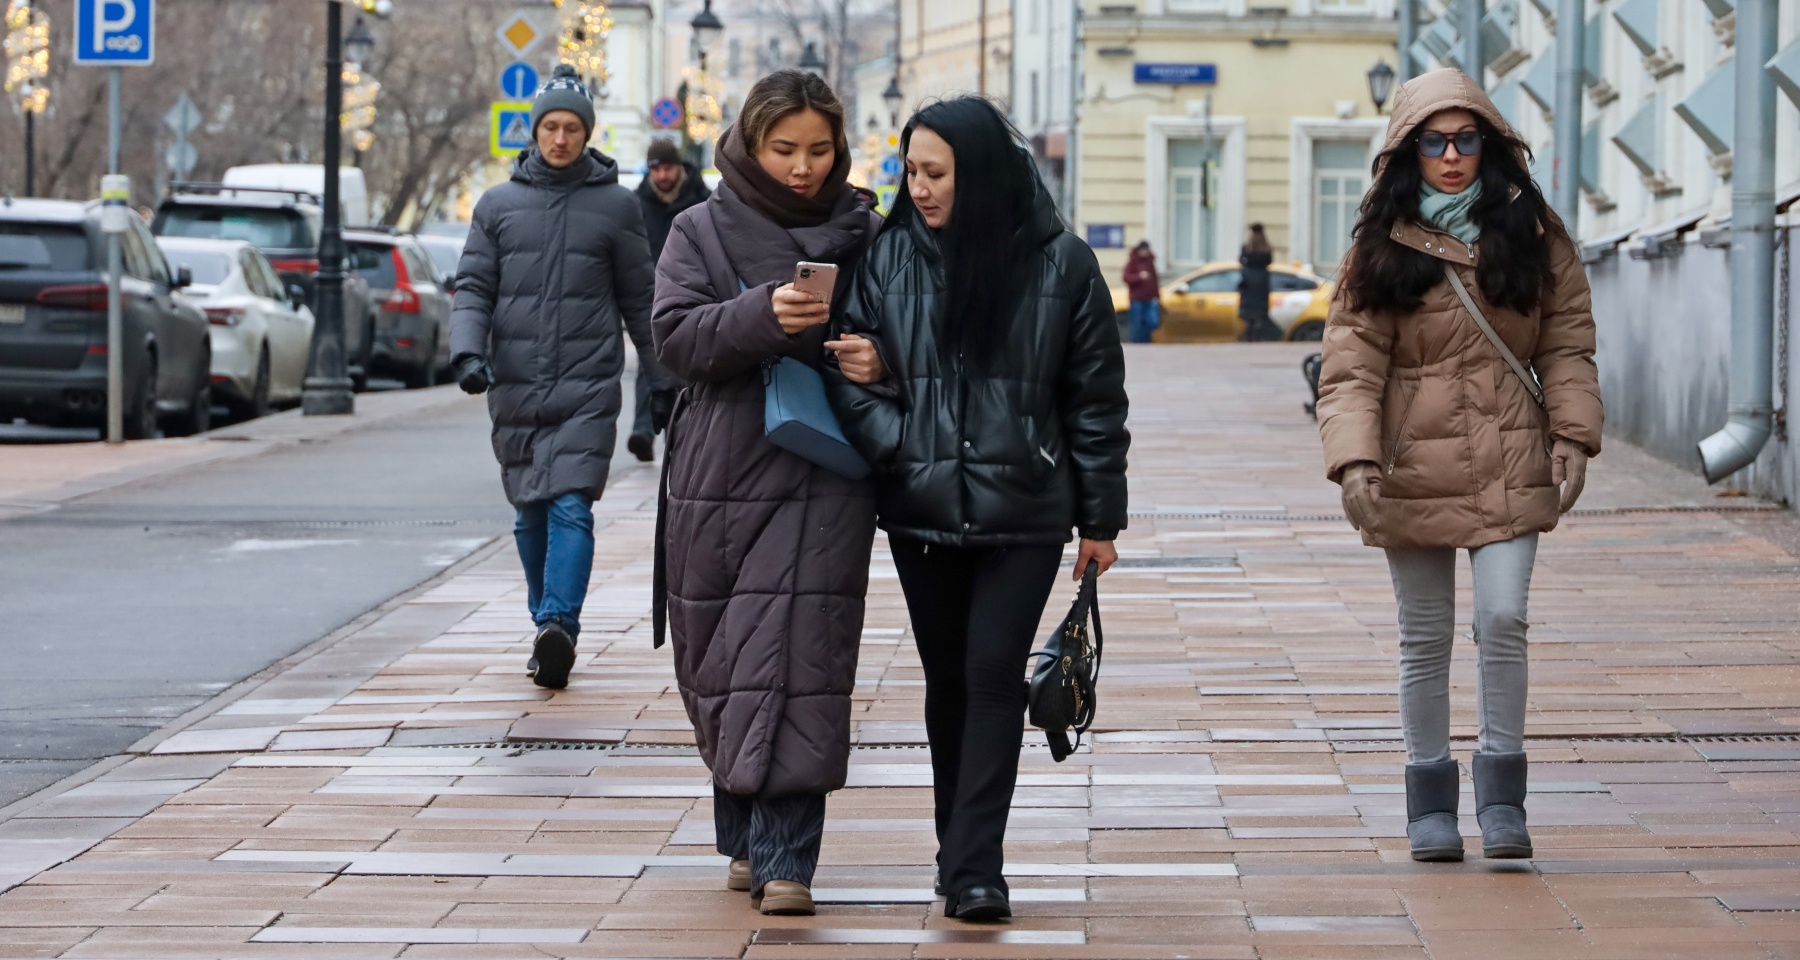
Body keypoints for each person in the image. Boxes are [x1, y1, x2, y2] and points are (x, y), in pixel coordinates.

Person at [825, 97, 1130, 922]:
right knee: (948, 683)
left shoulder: (1062, 264)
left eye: (936, 173)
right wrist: (898, 440)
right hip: (921, 511)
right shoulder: (886, 258)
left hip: (1025, 509)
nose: (918, 188)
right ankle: (957, 848)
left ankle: (975, 870)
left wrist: (1101, 521)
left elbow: (1095, 401)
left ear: (981, 173)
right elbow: (846, 376)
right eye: (910, 171)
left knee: (993, 678)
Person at [1316, 68, 1602, 864]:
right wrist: (1355, 460)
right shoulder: (1379, 245)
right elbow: (1350, 369)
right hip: (1413, 462)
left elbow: (1567, 343)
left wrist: (1572, 435)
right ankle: (1428, 797)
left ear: (1490, 143)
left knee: (1503, 620)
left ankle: (1503, 797)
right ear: (1409, 151)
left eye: (1465, 139)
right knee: (1425, 635)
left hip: (1512, 454)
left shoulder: (1532, 232)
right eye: (1435, 142)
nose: (1451, 157)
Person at [652, 70, 882, 918]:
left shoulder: (867, 235)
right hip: (718, 470)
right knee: (721, 653)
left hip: (823, 468)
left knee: (801, 654)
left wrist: (875, 360)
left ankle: (791, 859)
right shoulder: (698, 231)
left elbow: (910, 339)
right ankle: (745, 833)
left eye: (820, 150)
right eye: (785, 149)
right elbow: (673, 338)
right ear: (751, 143)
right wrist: (761, 316)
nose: (803, 167)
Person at [449, 64, 669, 690]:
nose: (561, 138)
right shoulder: (497, 206)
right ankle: (545, 629)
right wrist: (468, 354)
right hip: (515, 384)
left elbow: (641, 301)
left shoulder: (616, 206)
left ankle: (559, 627)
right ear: (535, 130)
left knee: (571, 504)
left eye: (573, 127)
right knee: (529, 513)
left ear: (587, 133)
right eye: (551, 126)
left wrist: (664, 383)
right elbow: (473, 289)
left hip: (587, 384)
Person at [627, 138, 711, 462]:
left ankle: (681, 434)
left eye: (667, 168)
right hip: (650, 293)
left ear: (679, 167)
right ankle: (643, 431)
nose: (662, 176)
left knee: (685, 363)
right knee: (650, 361)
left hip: (692, 292)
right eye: (655, 170)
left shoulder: (701, 199)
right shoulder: (637, 203)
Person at [1237, 224, 1276, 342]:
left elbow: (1240, 261)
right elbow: (1269, 261)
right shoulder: (1266, 248)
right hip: (1262, 281)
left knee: (1249, 312)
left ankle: (1248, 336)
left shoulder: (1247, 247)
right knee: (1260, 311)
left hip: (1249, 282)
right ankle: (1257, 336)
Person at [1122, 241, 1160, 343]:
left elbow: (1155, 281)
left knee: (1152, 322)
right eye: (1143, 250)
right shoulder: (1132, 262)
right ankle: (1137, 344)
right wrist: (1139, 276)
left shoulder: (1150, 261)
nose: (1145, 252)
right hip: (1137, 299)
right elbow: (1126, 277)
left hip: (1150, 298)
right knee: (1137, 324)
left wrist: (1157, 296)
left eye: (1147, 250)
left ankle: (1146, 341)